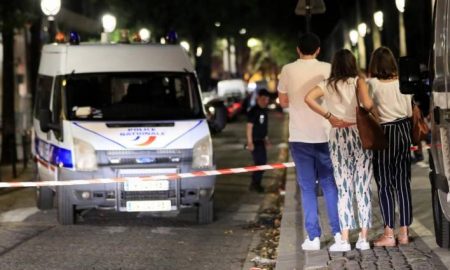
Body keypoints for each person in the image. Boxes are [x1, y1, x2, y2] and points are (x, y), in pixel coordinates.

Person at [305, 49, 375, 251]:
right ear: (352, 63)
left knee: (343, 188)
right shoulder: (358, 81)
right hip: (359, 133)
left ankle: (344, 240)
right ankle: (363, 239)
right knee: (362, 187)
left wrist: (329, 116)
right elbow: (368, 104)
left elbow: (308, 98)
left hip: (337, 135)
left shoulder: (327, 84)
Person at [278, 32, 340, 251]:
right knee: (330, 185)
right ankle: (339, 233)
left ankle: (313, 237)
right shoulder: (328, 68)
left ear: (297, 49)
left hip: (300, 136)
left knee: (306, 188)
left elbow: (283, 100)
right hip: (326, 133)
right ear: (318, 50)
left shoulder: (287, 70)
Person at [367, 46, 413, 246]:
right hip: (403, 129)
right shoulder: (402, 82)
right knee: (403, 181)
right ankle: (404, 232)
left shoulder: (372, 84)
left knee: (385, 183)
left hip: (384, 132)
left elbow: (366, 108)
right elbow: (410, 112)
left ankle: (388, 233)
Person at [246, 89, 271, 193]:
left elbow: (263, 128)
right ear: (258, 99)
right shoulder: (254, 111)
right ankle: (255, 184)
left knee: (262, 163)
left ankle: (255, 183)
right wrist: (250, 142)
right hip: (255, 141)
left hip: (261, 141)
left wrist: (266, 139)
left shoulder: (264, 111)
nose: (265, 101)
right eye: (263, 99)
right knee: (260, 162)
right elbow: (249, 127)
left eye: (267, 99)